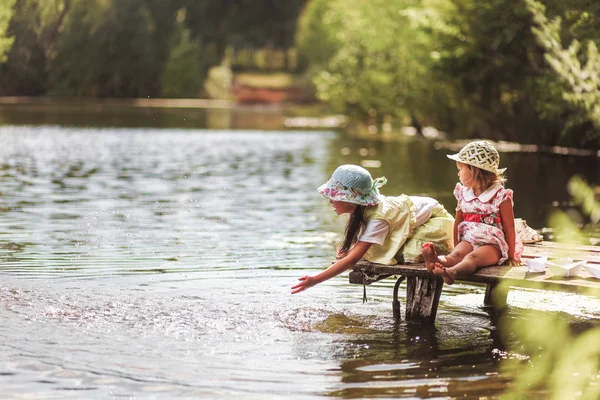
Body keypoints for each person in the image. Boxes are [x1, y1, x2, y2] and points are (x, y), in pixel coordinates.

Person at [291, 164, 454, 294]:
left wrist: (315, 280)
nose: (330, 202)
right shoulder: (360, 210)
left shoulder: (378, 219)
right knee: (381, 251)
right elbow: (358, 242)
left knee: (407, 254)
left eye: (333, 197)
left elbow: (351, 260)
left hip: (436, 221)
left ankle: (434, 259)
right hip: (414, 222)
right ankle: (430, 257)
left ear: (351, 201)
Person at [421, 140, 524, 285]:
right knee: (456, 255)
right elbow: (458, 222)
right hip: (469, 239)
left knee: (472, 258)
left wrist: (511, 256)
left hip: (493, 245)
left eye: (461, 169)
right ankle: (437, 261)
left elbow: (509, 228)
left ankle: (452, 272)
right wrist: (456, 247)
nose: (458, 174)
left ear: (474, 171)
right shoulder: (463, 193)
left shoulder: (501, 196)